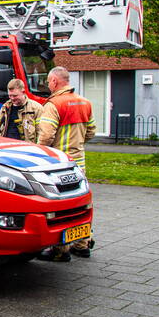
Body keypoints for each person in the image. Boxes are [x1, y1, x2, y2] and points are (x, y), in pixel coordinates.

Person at [36, 66, 96, 261]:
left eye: (48, 82)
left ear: (54, 81)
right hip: (79, 161)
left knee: (63, 206)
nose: (47, 85)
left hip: (58, 163)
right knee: (80, 203)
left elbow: (45, 135)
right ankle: (82, 244)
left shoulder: (53, 105)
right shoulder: (85, 103)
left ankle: (60, 251)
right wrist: (76, 144)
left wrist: (38, 154)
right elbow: (91, 131)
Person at [0, 78, 42, 143]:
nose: (12, 98)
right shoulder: (5, 107)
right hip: (7, 147)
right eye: (10, 96)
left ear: (23, 92)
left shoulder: (36, 108)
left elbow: (41, 134)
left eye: (15, 96)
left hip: (26, 149)